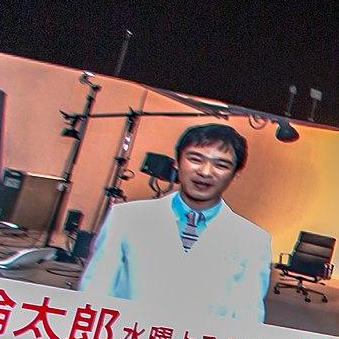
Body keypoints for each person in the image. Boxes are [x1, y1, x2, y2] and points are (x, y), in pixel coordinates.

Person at [78, 123, 272, 323]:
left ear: (236, 174)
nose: (206, 172)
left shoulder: (253, 241)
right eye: (195, 159)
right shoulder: (126, 217)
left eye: (221, 165)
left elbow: (248, 314)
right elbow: (96, 289)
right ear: (177, 163)